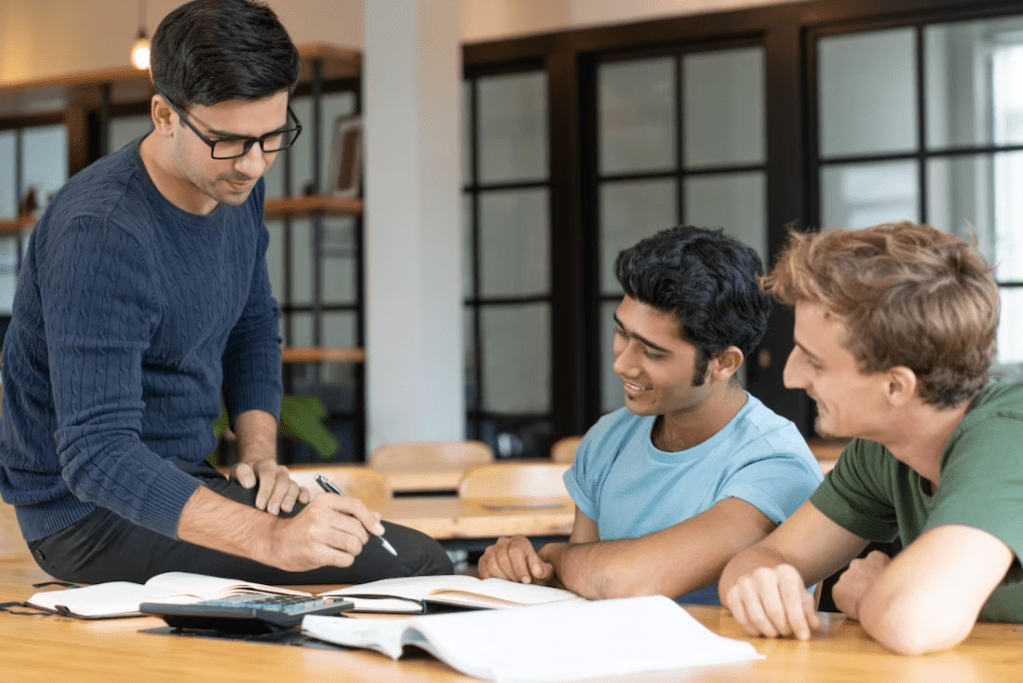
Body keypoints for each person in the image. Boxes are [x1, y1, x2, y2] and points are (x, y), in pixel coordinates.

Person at [0, 0, 451, 585]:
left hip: (187, 482)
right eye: (230, 141)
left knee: (406, 563)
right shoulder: (102, 230)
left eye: (272, 137)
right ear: (164, 115)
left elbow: (253, 325)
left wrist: (259, 455)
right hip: (86, 520)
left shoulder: (235, 186)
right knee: (413, 567)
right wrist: (272, 537)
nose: (255, 164)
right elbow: (98, 458)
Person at [718, 221, 1023, 655]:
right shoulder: (885, 449)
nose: (789, 376)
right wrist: (759, 582)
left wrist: (870, 594)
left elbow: (913, 621)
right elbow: (766, 559)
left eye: (815, 362)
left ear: (897, 387)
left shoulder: (1011, 437)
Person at [478, 226, 823, 603]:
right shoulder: (608, 437)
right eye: (622, 333)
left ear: (723, 362)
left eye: (653, 353)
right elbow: (580, 595)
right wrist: (524, 569)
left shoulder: (775, 463)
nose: (622, 364)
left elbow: (620, 581)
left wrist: (554, 556)